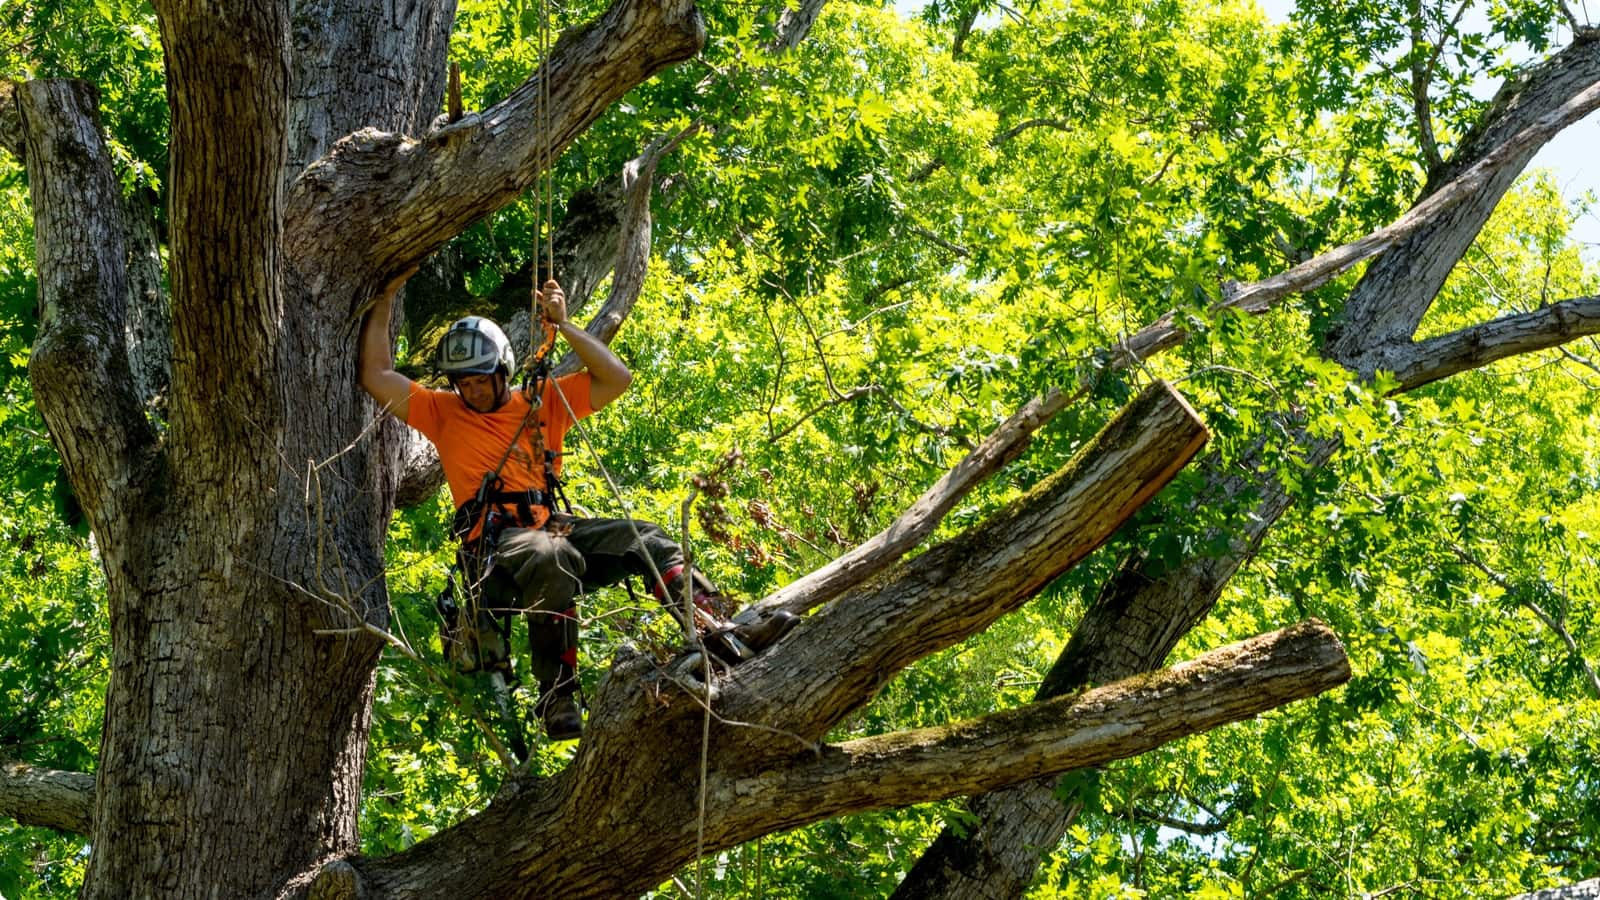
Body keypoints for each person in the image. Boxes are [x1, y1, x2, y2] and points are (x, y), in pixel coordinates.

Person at [358, 268, 796, 741]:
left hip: (551, 528)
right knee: (552, 556)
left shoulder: (541, 402)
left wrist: (564, 326)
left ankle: (717, 627)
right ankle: (558, 694)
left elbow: (616, 377)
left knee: (644, 537)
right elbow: (376, 375)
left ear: (502, 369)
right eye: (462, 382)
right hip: (496, 550)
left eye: (481, 379)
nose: (472, 390)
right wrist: (386, 293)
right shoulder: (441, 411)